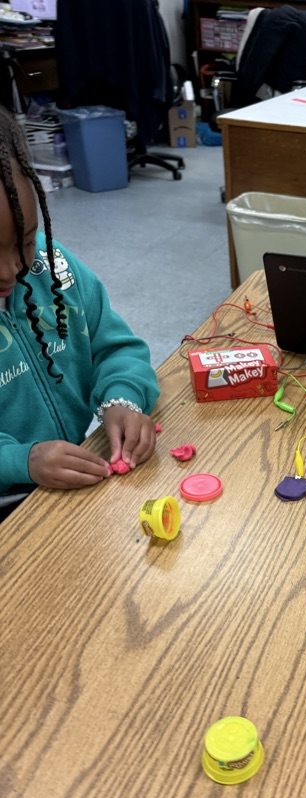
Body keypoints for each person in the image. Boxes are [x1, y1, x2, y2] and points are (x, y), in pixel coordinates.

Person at [0, 106, 159, 522]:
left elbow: (115, 348)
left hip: (69, 491)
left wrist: (121, 397)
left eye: (25, 241)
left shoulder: (54, 268)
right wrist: (20, 461)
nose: (11, 270)